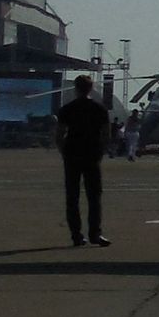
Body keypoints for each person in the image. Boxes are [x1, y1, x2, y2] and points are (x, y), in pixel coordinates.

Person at [55, 75, 112, 248]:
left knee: (72, 196)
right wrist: (101, 151)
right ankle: (95, 233)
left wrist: (63, 151)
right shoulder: (99, 109)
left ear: (76, 88)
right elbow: (106, 134)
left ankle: (76, 235)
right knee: (94, 196)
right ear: (91, 88)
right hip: (92, 155)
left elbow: (59, 135)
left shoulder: (67, 109)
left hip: (72, 154)